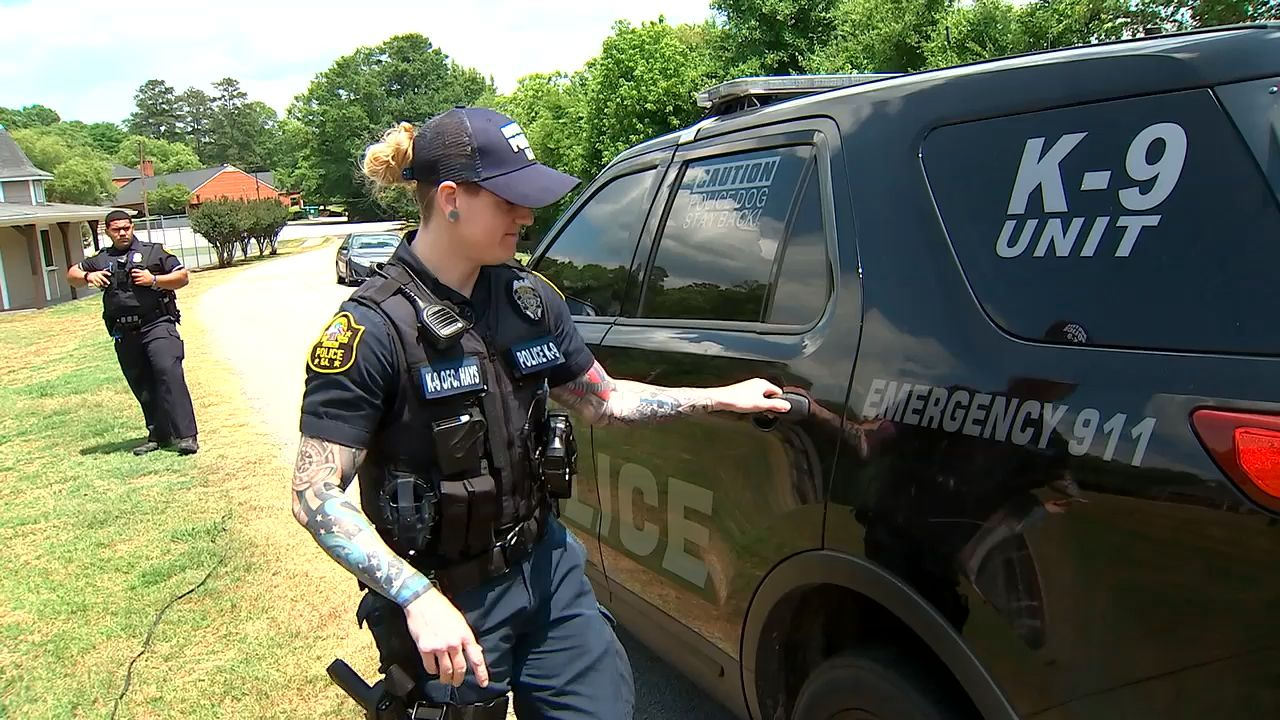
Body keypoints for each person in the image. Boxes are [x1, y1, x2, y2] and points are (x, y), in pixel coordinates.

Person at [291, 107, 794, 719]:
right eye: (509, 200)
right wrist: (416, 597)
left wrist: (718, 396)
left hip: (548, 567)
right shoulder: (372, 328)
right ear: (451, 199)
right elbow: (314, 495)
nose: (527, 216)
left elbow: (603, 400)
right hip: (448, 597)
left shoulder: (528, 299)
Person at [68, 210, 199, 456]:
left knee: (168, 372)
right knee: (142, 383)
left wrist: (154, 280)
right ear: (108, 231)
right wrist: (88, 275)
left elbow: (182, 277)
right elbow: (72, 275)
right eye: (116, 229)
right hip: (125, 332)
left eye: (126, 228)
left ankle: (187, 435)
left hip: (157, 324)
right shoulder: (102, 258)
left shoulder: (153, 251)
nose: (122, 233)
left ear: (132, 227)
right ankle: (159, 435)